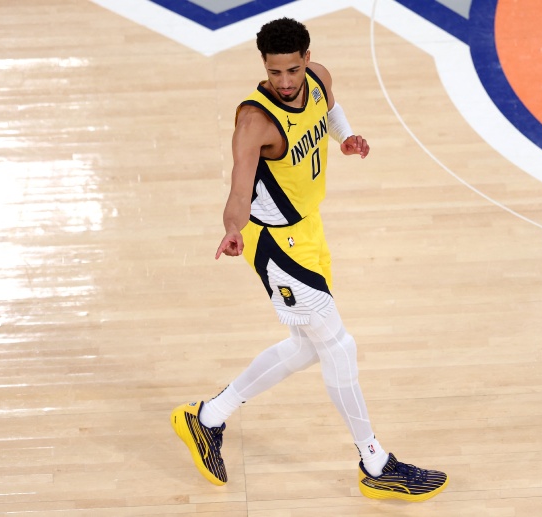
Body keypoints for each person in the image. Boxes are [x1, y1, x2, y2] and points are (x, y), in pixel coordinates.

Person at [171, 17, 448, 502]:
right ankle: (374, 462)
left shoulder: (318, 79)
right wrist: (232, 229)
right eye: (274, 72)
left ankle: (207, 418)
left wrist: (347, 138)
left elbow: (330, 110)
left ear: (307, 60)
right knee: (339, 346)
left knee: (306, 346)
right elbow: (238, 189)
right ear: (263, 66)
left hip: (309, 229)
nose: (284, 82)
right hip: (274, 244)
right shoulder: (255, 122)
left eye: (292, 70)